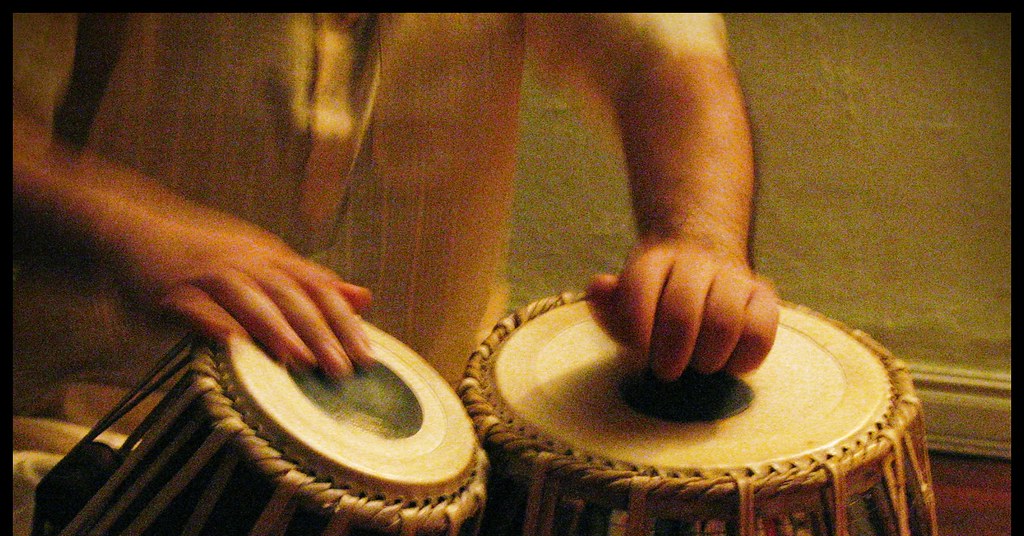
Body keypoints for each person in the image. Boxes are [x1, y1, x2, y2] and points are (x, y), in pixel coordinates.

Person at [13, 13, 778, 426]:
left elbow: (667, 61)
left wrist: (698, 241)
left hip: (436, 449)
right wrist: (133, 231)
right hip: (87, 428)